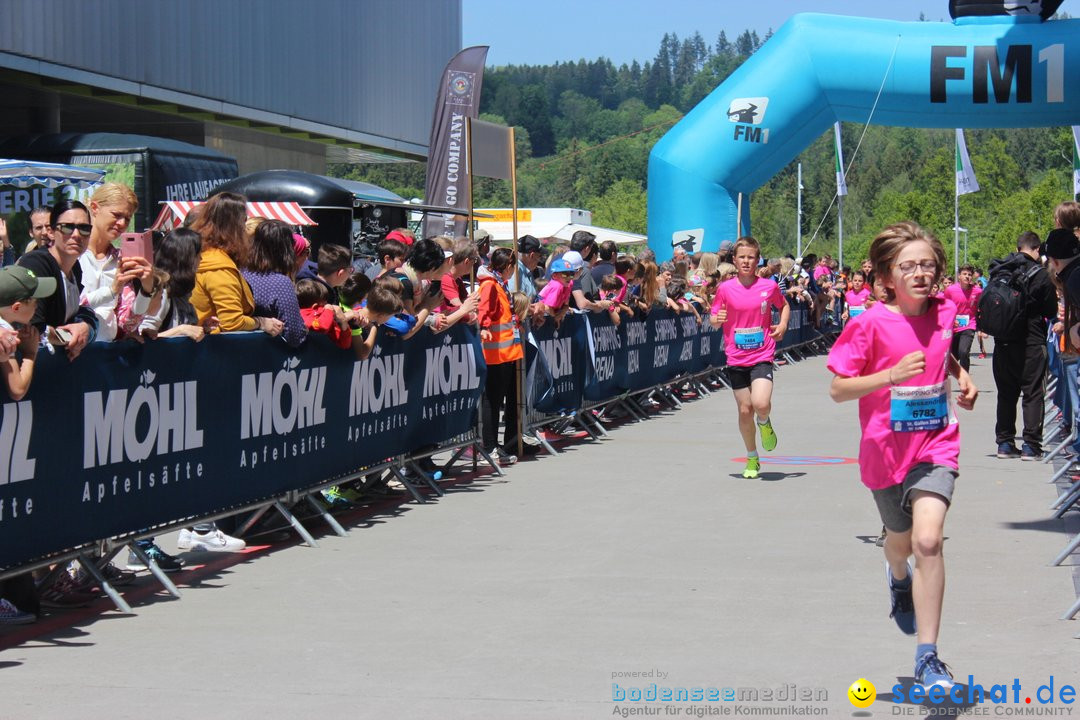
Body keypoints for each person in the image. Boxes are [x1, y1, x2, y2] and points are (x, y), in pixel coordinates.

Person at [827, 221, 978, 691]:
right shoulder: (867, 322)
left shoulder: (948, 309)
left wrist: (961, 375)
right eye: (908, 266)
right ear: (889, 275)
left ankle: (928, 657)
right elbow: (837, 389)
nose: (920, 273)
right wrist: (889, 376)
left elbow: (937, 348)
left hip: (935, 445)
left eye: (928, 265)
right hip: (883, 449)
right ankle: (897, 577)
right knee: (900, 541)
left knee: (928, 541)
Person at [709, 236, 789, 479]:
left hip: (762, 353)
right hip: (736, 356)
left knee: (760, 403)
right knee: (745, 410)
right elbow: (713, 317)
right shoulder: (725, 288)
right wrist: (716, 320)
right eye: (742, 257)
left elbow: (783, 306)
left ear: (757, 260)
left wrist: (782, 324)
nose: (746, 261)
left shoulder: (768, 286)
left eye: (751, 257)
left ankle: (764, 422)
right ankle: (752, 457)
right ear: (734, 260)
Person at [989, 231, 1056, 460]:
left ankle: (1005, 444)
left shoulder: (1001, 270)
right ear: (1037, 250)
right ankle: (1030, 445)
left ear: (1018, 248)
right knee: (1033, 393)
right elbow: (1050, 310)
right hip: (1031, 340)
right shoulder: (1040, 274)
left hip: (1003, 341)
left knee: (1006, 394)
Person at [190, 192, 283, 337]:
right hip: (213, 353)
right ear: (235, 226)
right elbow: (232, 322)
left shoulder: (202, 255)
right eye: (243, 222)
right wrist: (262, 322)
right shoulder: (219, 265)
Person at [17, 199, 99, 360]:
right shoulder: (36, 264)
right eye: (67, 227)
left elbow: (77, 313)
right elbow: (34, 328)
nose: (76, 235)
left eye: (84, 228)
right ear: (53, 232)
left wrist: (86, 327)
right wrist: (72, 338)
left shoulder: (75, 269)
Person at [79, 183, 156, 342]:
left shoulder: (121, 259)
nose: (122, 223)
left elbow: (127, 324)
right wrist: (112, 290)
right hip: (72, 353)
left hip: (108, 354)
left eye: (127, 218)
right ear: (95, 208)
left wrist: (146, 290)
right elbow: (68, 307)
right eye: (116, 215)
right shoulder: (72, 255)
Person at [477, 247, 523, 465]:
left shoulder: (500, 284)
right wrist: (483, 326)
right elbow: (483, 310)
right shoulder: (490, 285)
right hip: (495, 353)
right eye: (513, 266)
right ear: (508, 266)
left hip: (506, 352)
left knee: (500, 400)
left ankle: (498, 445)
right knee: (492, 402)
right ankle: (489, 446)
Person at [241, 219, 307, 348]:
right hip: (267, 358)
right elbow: (294, 334)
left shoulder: (240, 273)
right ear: (286, 250)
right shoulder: (280, 283)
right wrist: (304, 331)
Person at [0, 265, 53, 399]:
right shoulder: (4, 331)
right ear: (16, 307)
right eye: (35, 302)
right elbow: (17, 389)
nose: (37, 306)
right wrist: (29, 353)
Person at [943, 264, 981, 371]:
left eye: (969, 274)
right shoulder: (950, 290)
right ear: (959, 276)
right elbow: (945, 306)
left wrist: (982, 327)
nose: (967, 276)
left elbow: (982, 306)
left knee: (964, 352)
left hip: (969, 325)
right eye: (964, 274)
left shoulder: (977, 291)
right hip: (953, 326)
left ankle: (965, 379)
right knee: (952, 356)